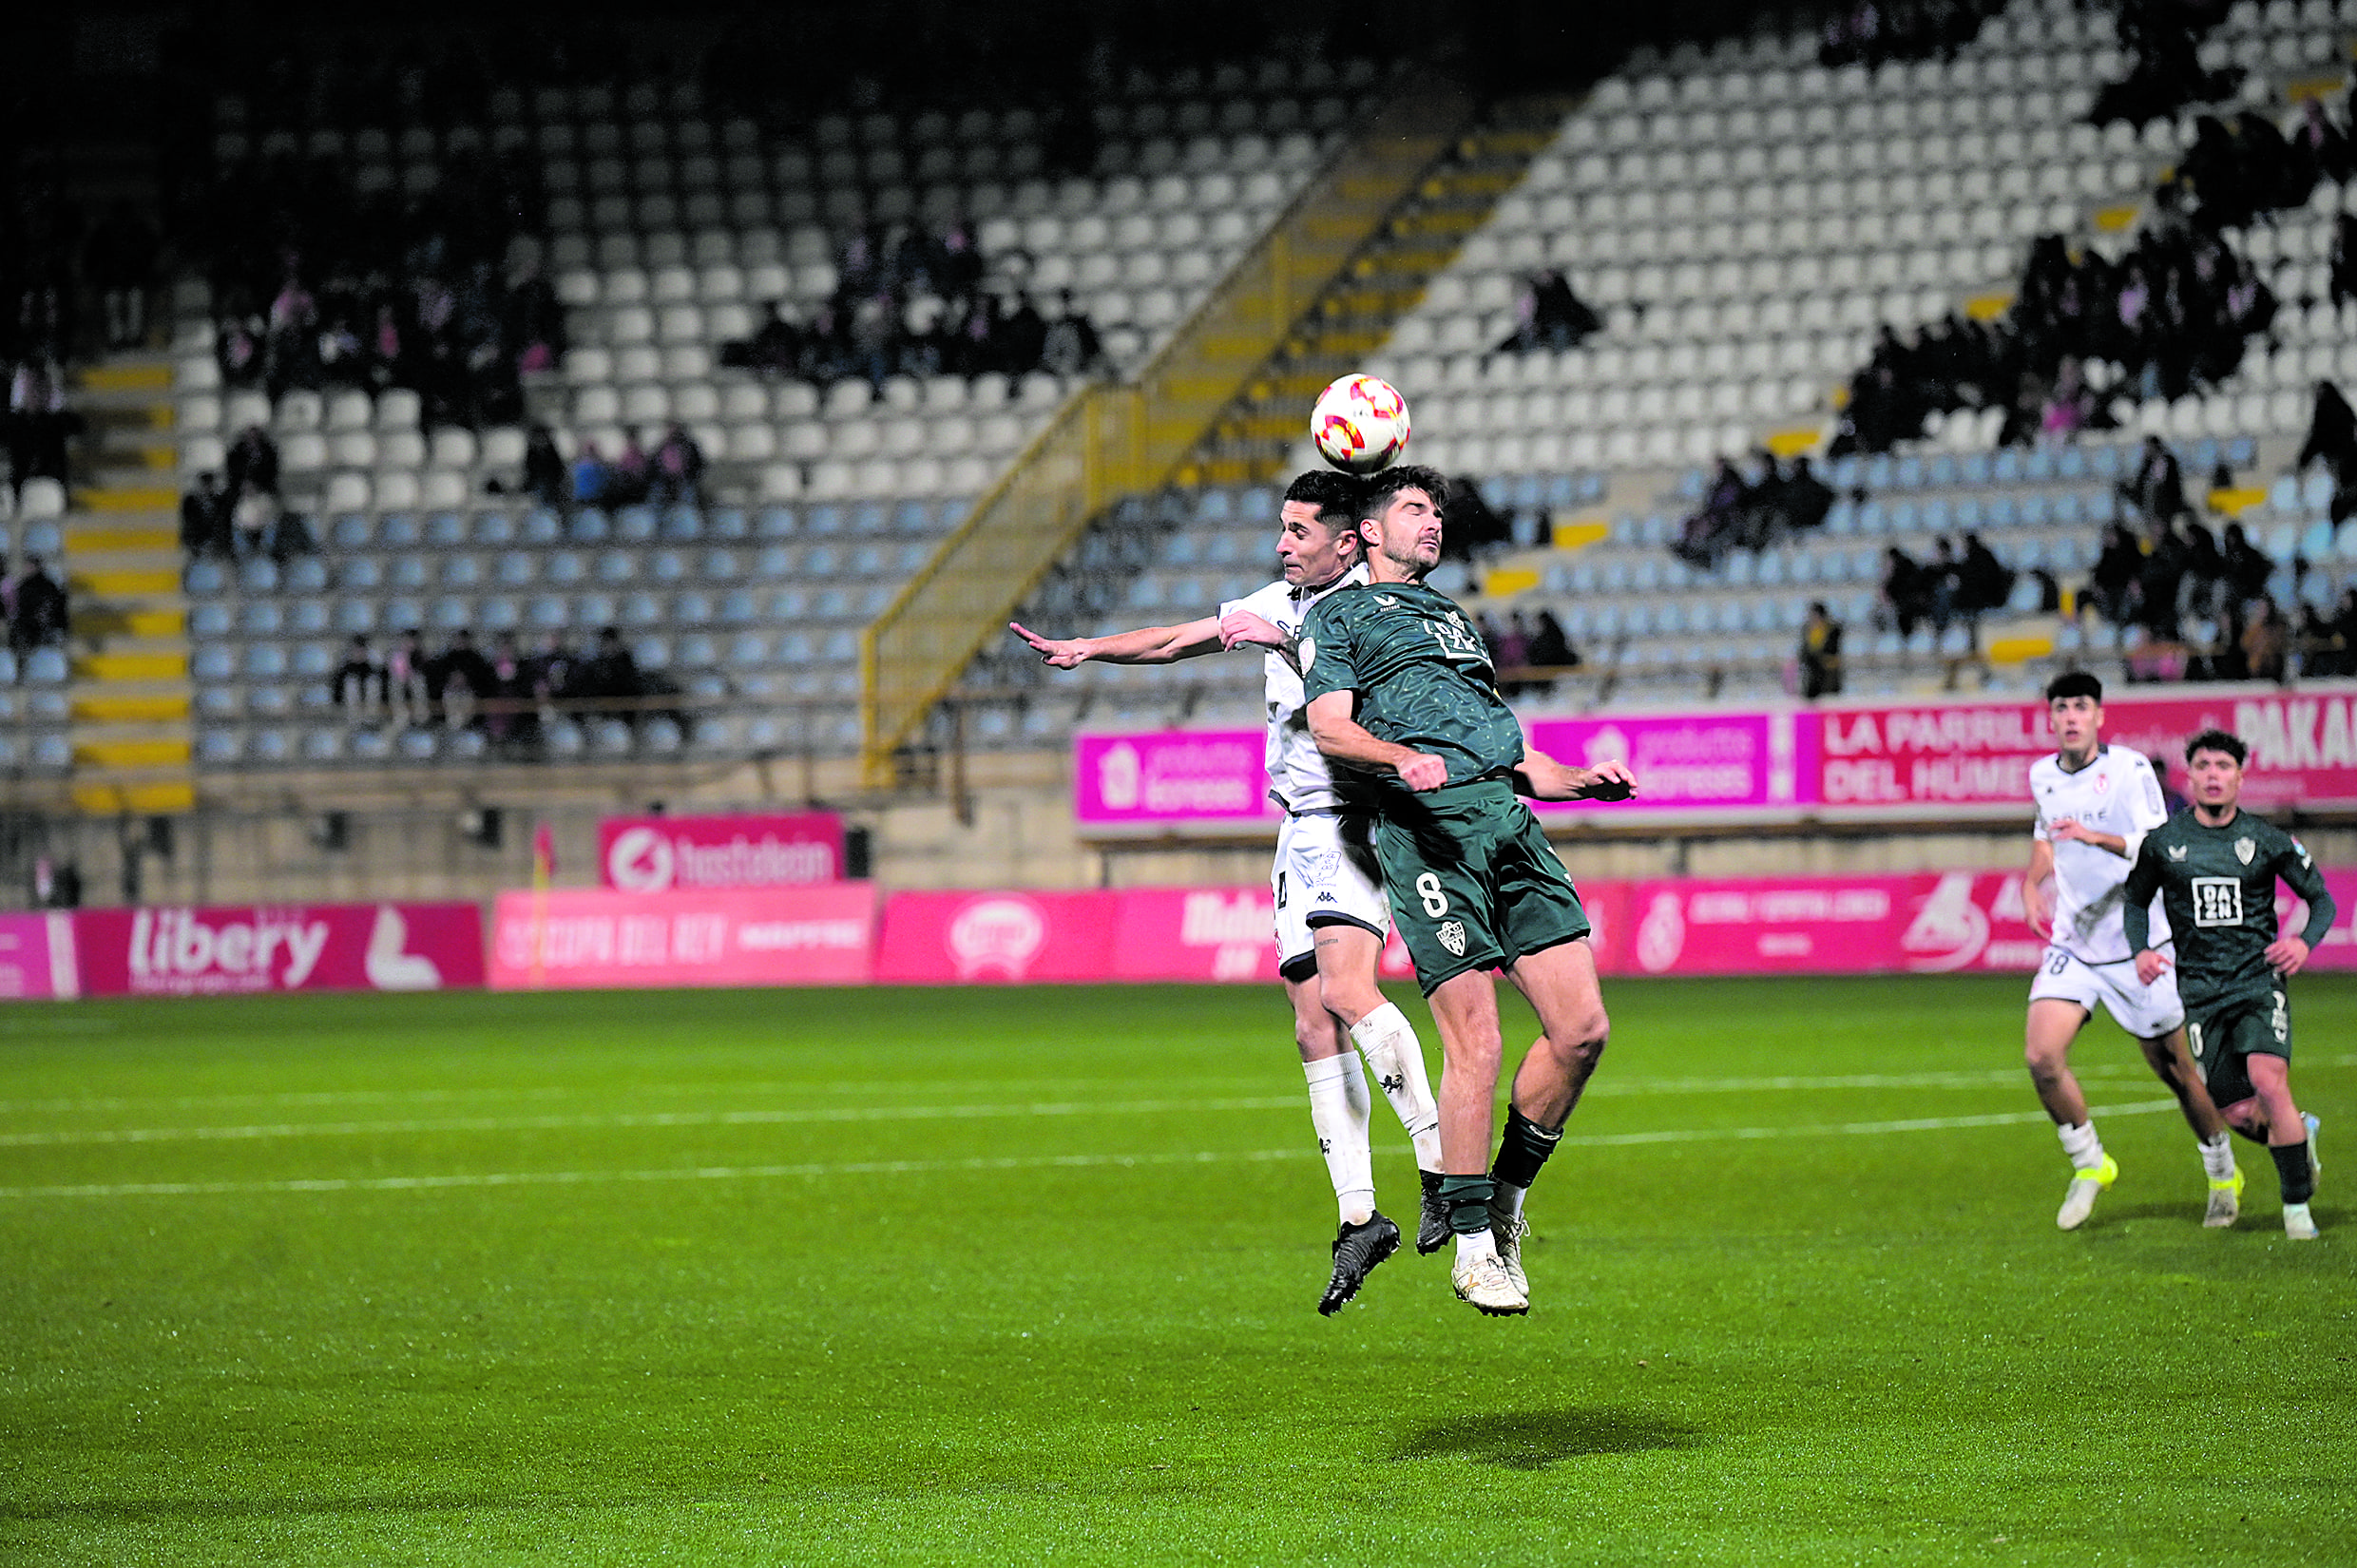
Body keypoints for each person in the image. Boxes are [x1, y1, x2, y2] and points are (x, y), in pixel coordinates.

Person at [1008, 470, 1447, 1314]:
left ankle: (1439, 1169)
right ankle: (1360, 1215)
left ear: (1346, 541)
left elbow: (1377, 701)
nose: (1282, 544)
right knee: (1312, 1022)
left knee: (1352, 992)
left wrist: (1285, 644)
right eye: (1280, 529)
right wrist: (1088, 649)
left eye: (1297, 531)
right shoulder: (1280, 597)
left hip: (1358, 820)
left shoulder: (1379, 606)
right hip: (1297, 831)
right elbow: (1177, 640)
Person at [1301, 466, 1637, 1316]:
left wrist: (1576, 780)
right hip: (1427, 830)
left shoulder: (1453, 616)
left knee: (1583, 1030)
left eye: (1439, 511)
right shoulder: (1337, 614)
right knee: (1476, 1038)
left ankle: (1508, 1202)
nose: (1435, 522)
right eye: (1417, 509)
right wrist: (1394, 759)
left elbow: (1511, 747)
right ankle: (1473, 1250)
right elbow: (1330, 724)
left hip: (1507, 819)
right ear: (1371, 531)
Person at [2020, 672, 2236, 1232]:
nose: (2070, 716)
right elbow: (2047, 836)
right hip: (2075, 944)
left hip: (2139, 944)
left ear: (2099, 717)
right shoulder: (2042, 775)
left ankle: (2221, 1169)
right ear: (2051, 718)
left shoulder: (2130, 770)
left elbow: (2159, 844)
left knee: (2175, 1069)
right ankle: (2091, 1163)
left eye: (2081, 707)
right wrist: (2031, 881)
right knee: (2042, 1057)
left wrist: (2096, 839)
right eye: (2061, 706)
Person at [2124, 730, 2332, 1240]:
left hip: (2259, 983)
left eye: (2223, 765)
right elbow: (2134, 903)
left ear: (2240, 776)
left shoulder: (2266, 839)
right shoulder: (2163, 844)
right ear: (2189, 775)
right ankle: (2299, 1135)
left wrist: (2304, 942)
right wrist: (2141, 950)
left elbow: (2321, 899)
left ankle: (2296, 1206)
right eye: (2203, 765)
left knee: (2268, 1082)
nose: (2213, 774)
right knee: (2237, 1110)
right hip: (2199, 992)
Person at [1798, 601, 1844, 698]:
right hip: (1813, 666)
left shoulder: (1832, 629)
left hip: (1827, 664)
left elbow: (1832, 649)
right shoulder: (1807, 629)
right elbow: (1804, 649)